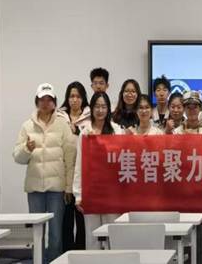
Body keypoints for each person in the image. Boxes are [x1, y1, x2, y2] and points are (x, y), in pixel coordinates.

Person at [13, 83, 76, 263]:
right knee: (37, 234)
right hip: (35, 190)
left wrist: (68, 188)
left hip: (57, 190)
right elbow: (17, 157)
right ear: (37, 101)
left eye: (49, 99)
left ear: (55, 102)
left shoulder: (63, 125)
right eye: (42, 99)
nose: (46, 103)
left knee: (56, 234)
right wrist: (26, 149)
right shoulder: (27, 126)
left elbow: (70, 159)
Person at [73, 92, 123, 250]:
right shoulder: (85, 132)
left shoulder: (116, 130)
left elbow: (120, 160)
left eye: (103, 107)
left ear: (108, 109)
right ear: (91, 108)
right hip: (91, 190)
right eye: (97, 106)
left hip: (112, 191)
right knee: (92, 235)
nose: (100, 110)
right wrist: (78, 195)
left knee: (112, 234)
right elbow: (79, 164)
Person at [59, 81, 90, 251]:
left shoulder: (90, 117)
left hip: (84, 177)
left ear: (83, 98)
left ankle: (81, 255)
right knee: (66, 222)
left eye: (78, 96)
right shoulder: (59, 117)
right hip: (64, 177)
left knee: (82, 221)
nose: (74, 99)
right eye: (71, 96)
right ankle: (66, 255)